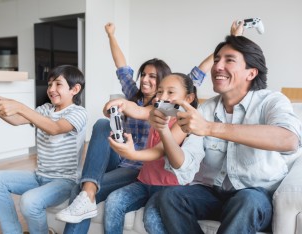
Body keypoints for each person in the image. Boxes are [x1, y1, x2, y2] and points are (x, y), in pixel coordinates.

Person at [56, 22, 210, 234]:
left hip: (138, 165)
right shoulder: (135, 95)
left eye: (153, 77)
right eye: (144, 75)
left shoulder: (176, 112)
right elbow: (122, 70)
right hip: (122, 157)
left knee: (104, 196)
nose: (145, 80)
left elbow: (196, 75)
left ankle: (88, 191)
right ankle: (88, 192)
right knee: (102, 125)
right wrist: (111, 35)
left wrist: (221, 52)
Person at [144, 29, 302, 233]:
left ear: (251, 72)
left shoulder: (271, 101)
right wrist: (164, 130)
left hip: (254, 196)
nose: (217, 66)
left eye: (229, 60)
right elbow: (185, 163)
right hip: (213, 193)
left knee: (248, 200)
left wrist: (210, 128)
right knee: (169, 197)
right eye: (217, 60)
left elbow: (289, 139)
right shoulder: (207, 109)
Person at [0, 65, 88, 234]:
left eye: (58, 84)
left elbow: (54, 128)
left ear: (75, 89)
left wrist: (19, 106)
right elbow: (18, 120)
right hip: (39, 176)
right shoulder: (45, 109)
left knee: (29, 201)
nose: (51, 89)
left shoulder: (78, 112)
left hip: (64, 181)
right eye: (49, 85)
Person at [103, 72, 197, 233]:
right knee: (113, 201)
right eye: (160, 91)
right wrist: (120, 104)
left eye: (171, 92)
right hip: (144, 182)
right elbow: (138, 110)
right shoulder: (155, 113)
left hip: (169, 188)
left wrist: (132, 154)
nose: (163, 96)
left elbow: (159, 151)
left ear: (188, 98)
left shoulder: (184, 123)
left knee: (152, 220)